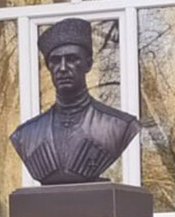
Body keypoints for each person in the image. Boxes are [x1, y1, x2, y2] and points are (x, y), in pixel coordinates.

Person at [8, 17, 139, 184]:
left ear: (88, 64)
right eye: (55, 61)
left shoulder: (118, 125)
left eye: (72, 59)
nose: (62, 68)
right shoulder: (26, 135)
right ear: (49, 67)